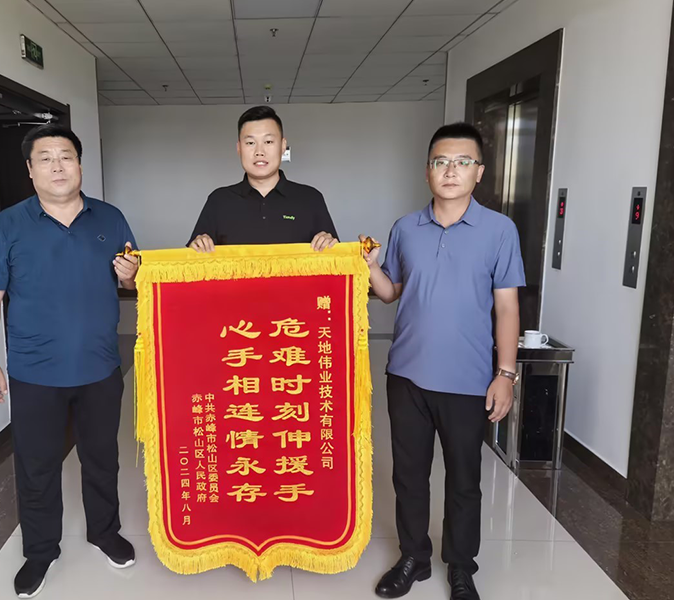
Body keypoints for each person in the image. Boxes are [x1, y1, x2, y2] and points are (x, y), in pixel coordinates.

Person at [0, 124, 140, 598]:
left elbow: (131, 282)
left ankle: (104, 532)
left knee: (102, 458)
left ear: (80, 165)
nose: (57, 166)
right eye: (45, 158)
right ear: (30, 170)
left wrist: (130, 276)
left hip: (100, 366)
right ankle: (40, 551)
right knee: (37, 465)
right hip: (34, 371)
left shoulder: (110, 218)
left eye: (66, 156)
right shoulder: (6, 226)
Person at [362, 123, 525, 600]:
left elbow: (507, 308)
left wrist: (506, 374)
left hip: (468, 380)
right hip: (406, 376)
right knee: (409, 475)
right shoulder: (405, 228)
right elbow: (390, 292)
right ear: (427, 171)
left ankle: (460, 567)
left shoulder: (499, 230)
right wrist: (370, 267)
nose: (450, 171)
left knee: (464, 479)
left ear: (479, 172)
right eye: (440, 162)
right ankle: (414, 557)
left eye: (462, 162)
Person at [188, 105, 339, 251]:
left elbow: (336, 260)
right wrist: (197, 246)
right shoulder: (218, 201)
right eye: (250, 143)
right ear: (239, 148)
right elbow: (190, 261)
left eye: (268, 142)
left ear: (283, 146)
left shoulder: (311, 199)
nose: (259, 151)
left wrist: (333, 246)